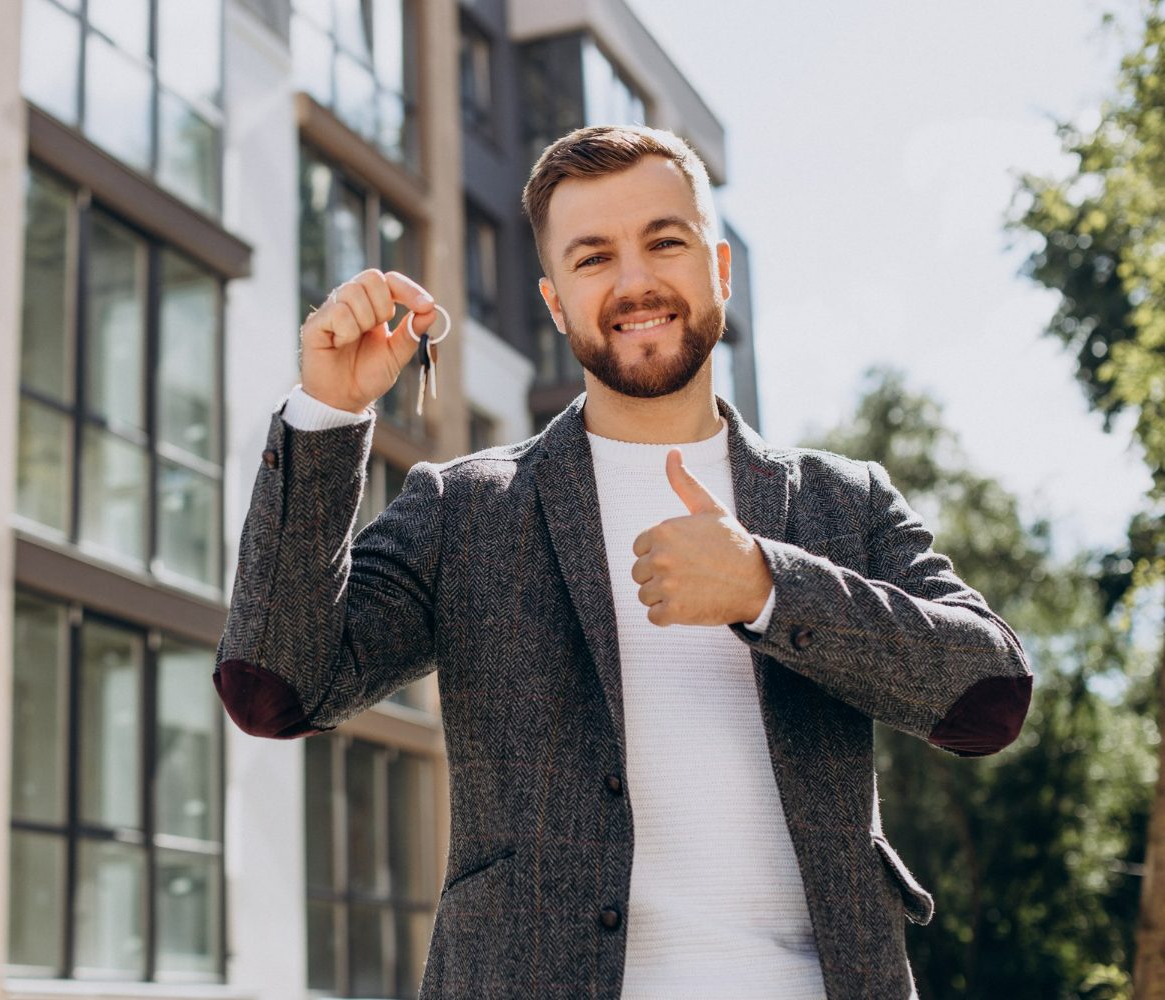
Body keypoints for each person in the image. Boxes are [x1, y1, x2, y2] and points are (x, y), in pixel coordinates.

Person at [214, 125, 1031, 1000]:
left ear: (718, 269)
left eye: (664, 242)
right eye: (594, 256)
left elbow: (986, 697)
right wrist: (328, 417)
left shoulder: (843, 499)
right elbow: (279, 687)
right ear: (555, 301)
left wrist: (768, 588)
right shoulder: (467, 510)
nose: (636, 281)